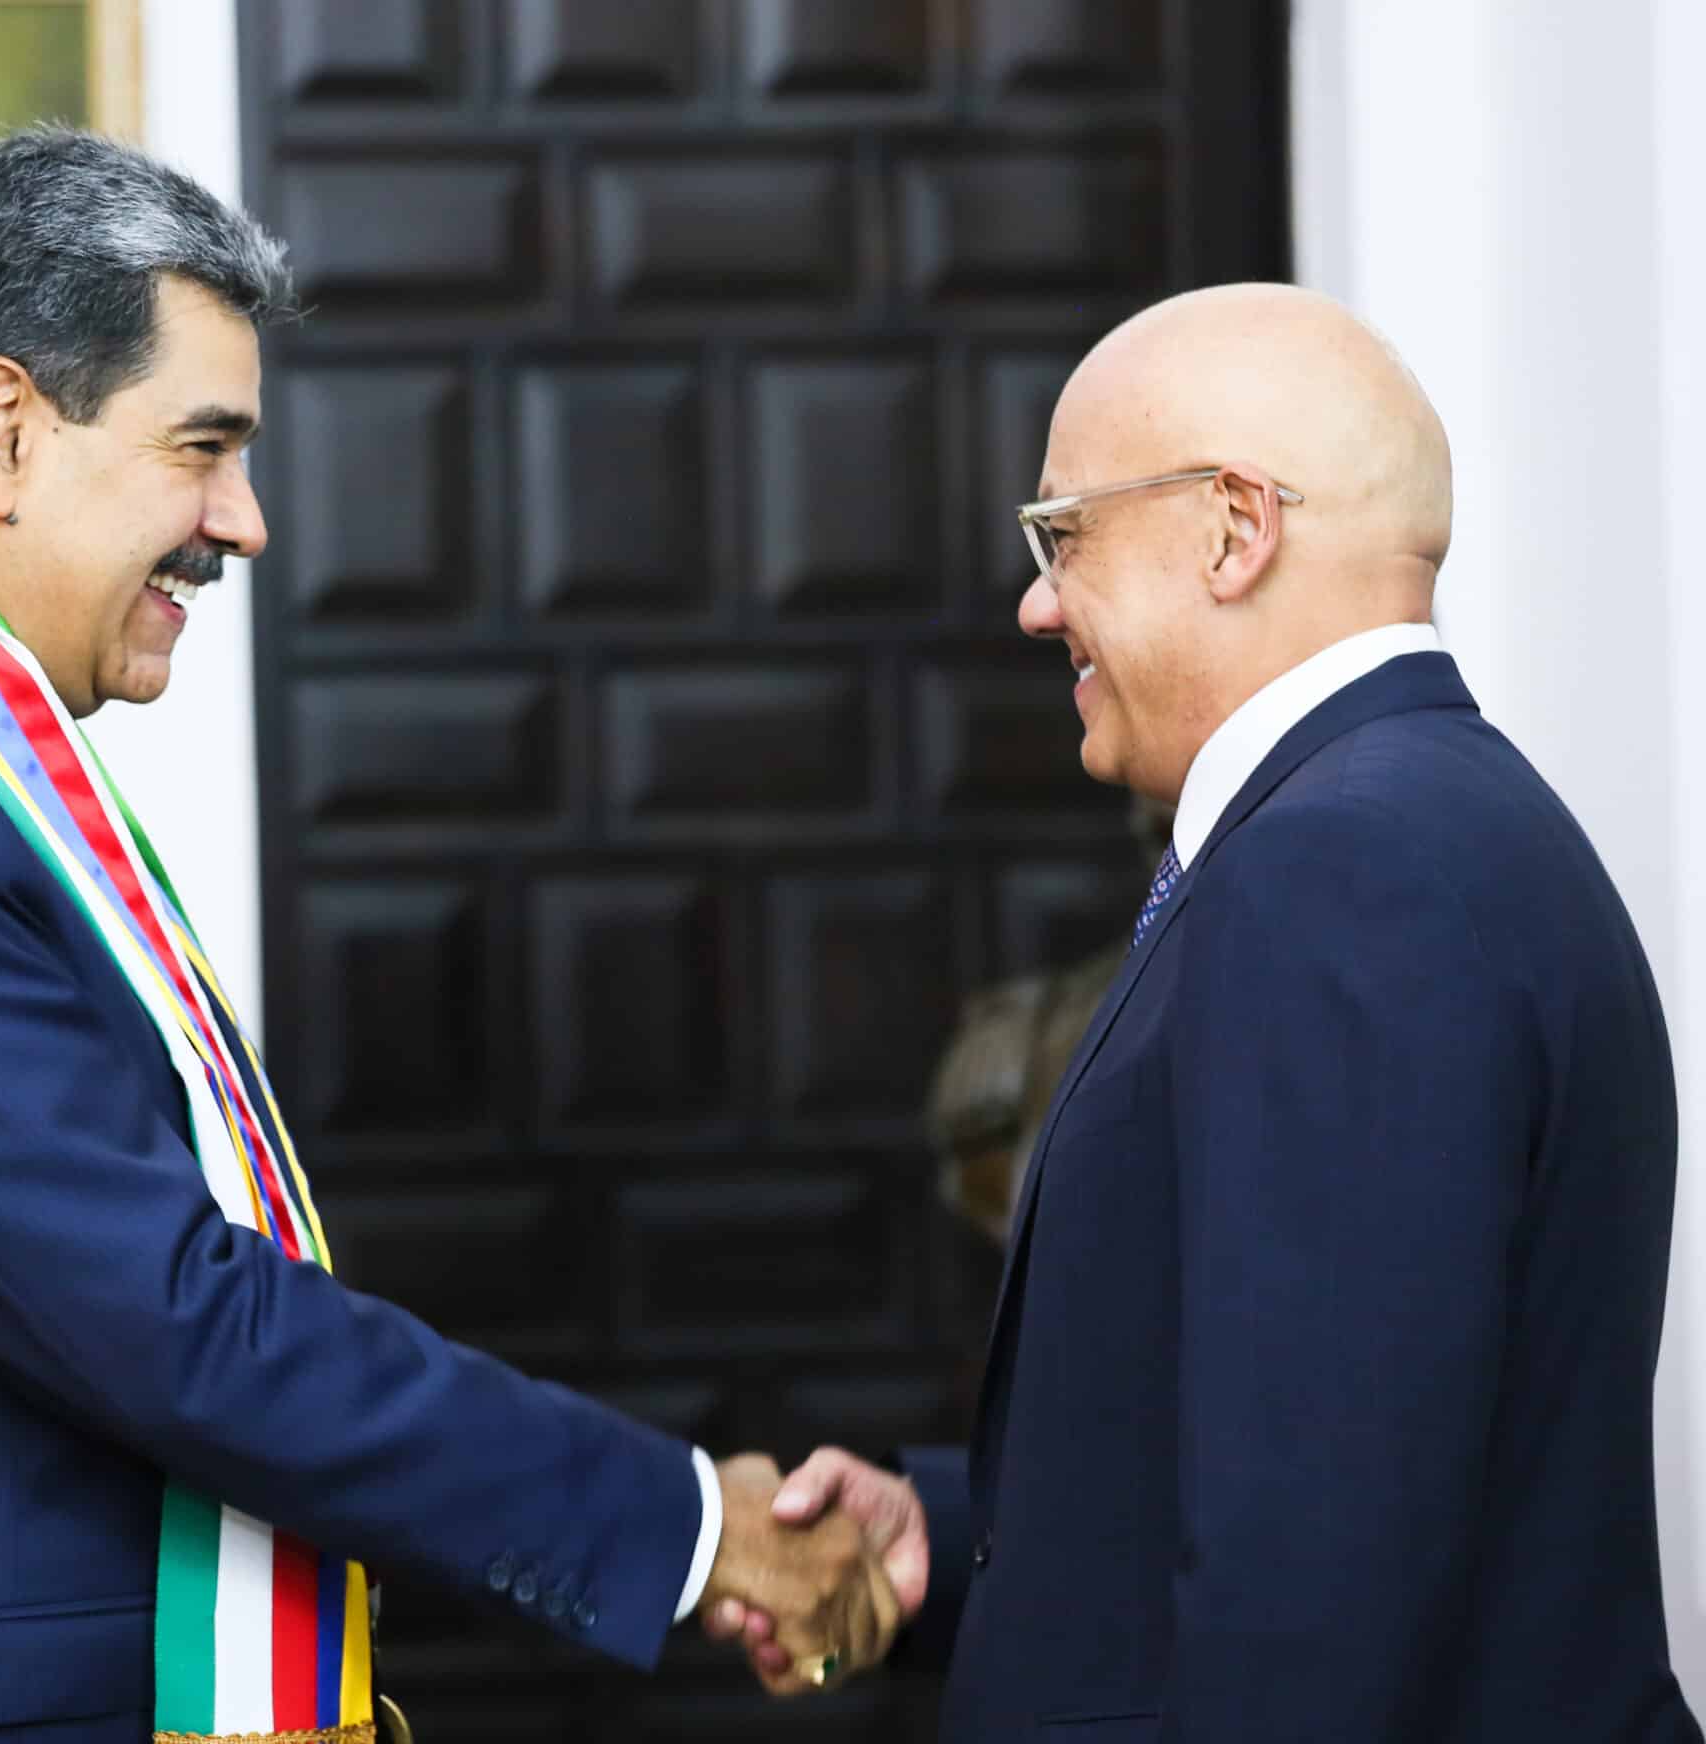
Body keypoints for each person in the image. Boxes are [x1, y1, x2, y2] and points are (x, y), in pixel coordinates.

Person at [0, 127, 901, 1743]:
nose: (246, 521)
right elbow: (174, 1319)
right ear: (0, 431)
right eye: (201, 448)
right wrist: (692, 1529)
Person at [713, 283, 1702, 1740]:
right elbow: (1331, 1440)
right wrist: (957, 1533)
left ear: (1235, 527)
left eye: (1064, 534)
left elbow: (1316, 1582)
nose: (1037, 601)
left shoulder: (1341, 871)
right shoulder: (1439, 823)